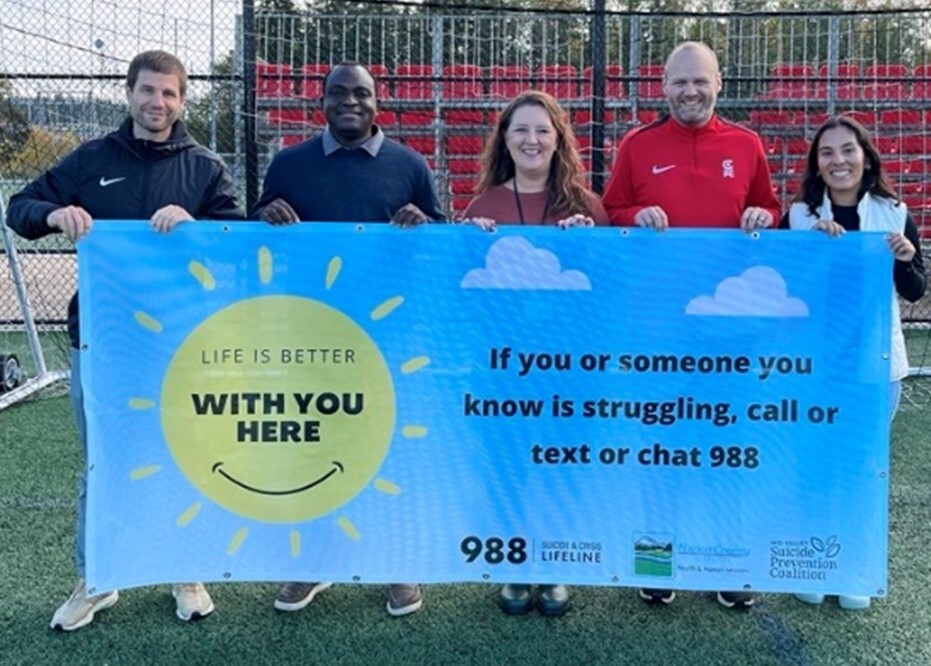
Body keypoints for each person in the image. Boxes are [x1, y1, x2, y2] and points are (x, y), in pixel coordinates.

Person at [7, 50, 242, 631]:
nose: (156, 103)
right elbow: (20, 208)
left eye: (168, 94)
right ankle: (98, 575)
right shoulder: (92, 160)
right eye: (147, 91)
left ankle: (183, 568)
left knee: (184, 457)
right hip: (103, 342)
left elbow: (236, 236)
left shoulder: (204, 167)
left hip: (181, 347)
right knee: (103, 462)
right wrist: (57, 215)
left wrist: (198, 227)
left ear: (182, 101)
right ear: (129, 93)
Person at [251, 61, 443, 617]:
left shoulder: (410, 164)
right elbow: (253, 227)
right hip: (311, 334)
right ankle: (313, 562)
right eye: (339, 93)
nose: (350, 102)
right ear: (323, 101)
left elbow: (439, 236)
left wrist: (422, 220)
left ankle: (396, 564)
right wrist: (266, 212)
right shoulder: (289, 164)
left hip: (389, 337)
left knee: (390, 449)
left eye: (362, 93)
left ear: (378, 101)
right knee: (315, 448)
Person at [602, 41, 781, 610]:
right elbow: (610, 214)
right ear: (663, 86)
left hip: (731, 334)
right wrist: (636, 216)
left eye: (700, 81)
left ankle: (732, 565)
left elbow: (770, 211)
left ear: (719, 83)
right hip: (658, 332)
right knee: (661, 451)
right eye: (680, 82)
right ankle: (658, 563)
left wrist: (763, 217)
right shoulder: (638, 146)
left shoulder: (747, 145)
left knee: (728, 449)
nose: (690, 92)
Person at [462, 90, 607, 616]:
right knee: (508, 465)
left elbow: (609, 287)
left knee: (560, 464)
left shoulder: (586, 208)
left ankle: (556, 564)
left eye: (543, 130)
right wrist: (466, 242)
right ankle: (514, 565)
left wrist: (590, 243)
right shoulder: (483, 208)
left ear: (558, 139)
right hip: (503, 371)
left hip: (570, 371)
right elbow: (461, 292)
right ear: (505, 138)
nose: (532, 140)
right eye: (521, 129)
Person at [784, 116, 926, 611]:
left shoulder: (894, 212)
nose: (838, 160)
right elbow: (786, 290)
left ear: (866, 156)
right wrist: (807, 252)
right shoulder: (800, 216)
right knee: (816, 465)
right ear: (816, 164)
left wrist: (907, 257)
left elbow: (915, 291)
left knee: (863, 468)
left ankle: (855, 569)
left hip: (874, 368)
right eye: (827, 153)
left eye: (847, 150)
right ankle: (814, 562)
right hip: (816, 366)